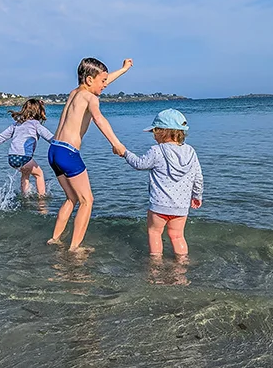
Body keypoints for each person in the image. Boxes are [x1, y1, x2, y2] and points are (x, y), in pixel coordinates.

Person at [47, 57, 133, 253]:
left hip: (54, 150)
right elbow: (99, 119)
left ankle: (55, 238)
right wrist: (116, 143)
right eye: (103, 81)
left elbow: (98, 82)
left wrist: (123, 70)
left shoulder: (75, 93)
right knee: (87, 201)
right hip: (68, 153)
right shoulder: (91, 98)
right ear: (88, 79)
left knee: (71, 198)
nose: (105, 85)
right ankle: (75, 247)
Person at [121, 108, 203, 259]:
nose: (153, 136)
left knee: (154, 232)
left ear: (162, 132)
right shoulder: (191, 151)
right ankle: (182, 266)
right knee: (177, 236)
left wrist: (125, 153)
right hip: (181, 205)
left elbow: (139, 164)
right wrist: (197, 195)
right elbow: (198, 177)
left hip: (159, 205)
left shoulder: (156, 151)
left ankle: (156, 265)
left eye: (155, 131)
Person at [0, 99, 53, 196]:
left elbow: (3, 135)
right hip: (24, 157)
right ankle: (41, 198)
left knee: (25, 174)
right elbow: (48, 136)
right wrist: (59, 143)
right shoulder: (36, 125)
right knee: (39, 174)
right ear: (38, 111)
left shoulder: (16, 124)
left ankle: (24, 196)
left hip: (12, 158)